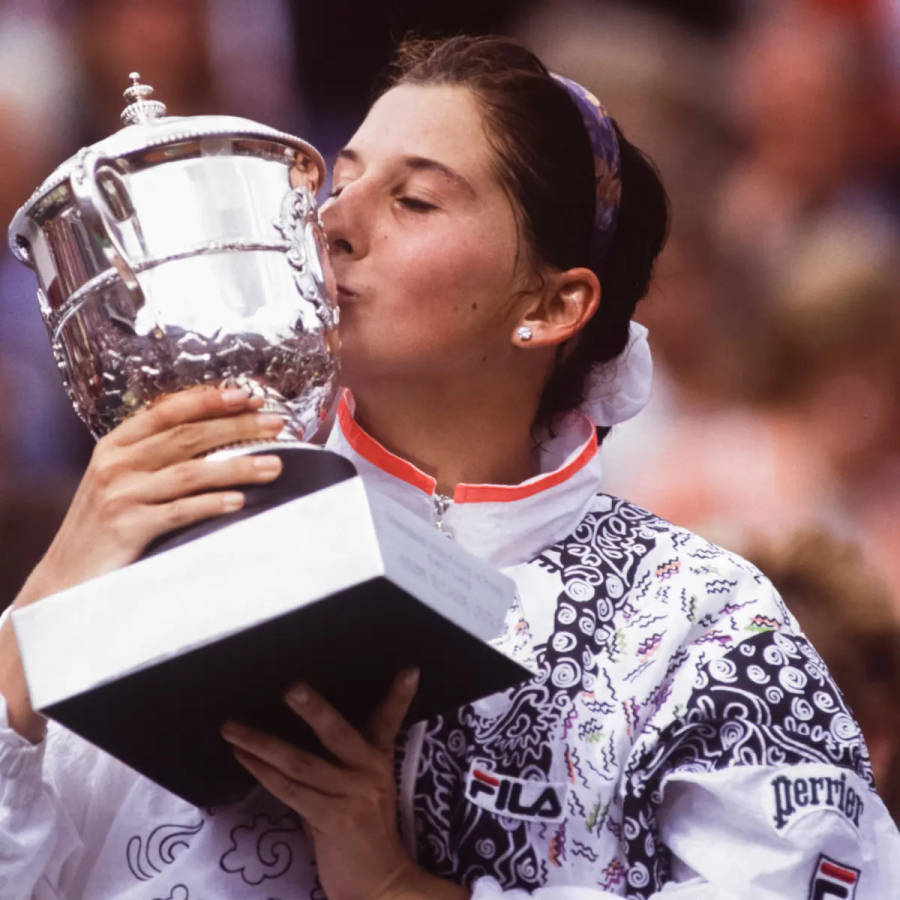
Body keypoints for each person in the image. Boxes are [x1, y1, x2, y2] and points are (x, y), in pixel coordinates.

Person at [1, 34, 897, 900]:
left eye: (414, 202)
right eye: (339, 181)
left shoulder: (698, 626)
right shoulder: (160, 540)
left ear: (551, 305)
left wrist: (400, 888)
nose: (333, 223)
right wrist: (34, 631)